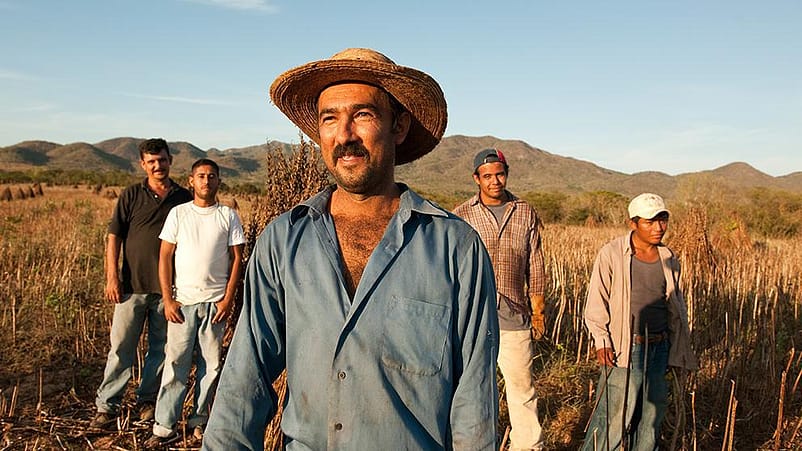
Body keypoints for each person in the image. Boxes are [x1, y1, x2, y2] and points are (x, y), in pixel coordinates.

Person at [202, 48, 500, 450]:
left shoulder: (456, 249)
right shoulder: (283, 240)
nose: (344, 135)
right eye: (330, 119)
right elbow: (244, 380)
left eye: (362, 115)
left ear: (398, 126)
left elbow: (473, 403)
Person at [90, 138, 193, 429]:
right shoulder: (131, 195)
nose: (157, 165)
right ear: (143, 164)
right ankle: (107, 405)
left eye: (162, 160)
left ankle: (147, 401)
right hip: (131, 286)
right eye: (151, 161)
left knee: (160, 349)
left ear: (170, 160)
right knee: (121, 347)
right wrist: (112, 276)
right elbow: (114, 236)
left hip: (169, 290)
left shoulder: (184, 198)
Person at [582, 193, 697, 451]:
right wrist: (602, 341)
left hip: (659, 347)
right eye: (650, 222)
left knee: (651, 417)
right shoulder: (612, 253)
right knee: (613, 418)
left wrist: (678, 351)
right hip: (626, 348)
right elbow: (596, 302)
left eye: (662, 220)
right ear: (633, 223)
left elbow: (675, 307)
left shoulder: (668, 257)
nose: (658, 228)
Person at [144, 158, 245, 447]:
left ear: (218, 181)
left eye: (211, 176)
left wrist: (228, 299)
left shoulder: (228, 216)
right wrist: (168, 298)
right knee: (175, 364)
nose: (206, 181)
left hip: (215, 305)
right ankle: (164, 425)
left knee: (211, 366)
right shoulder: (179, 214)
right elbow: (165, 256)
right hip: (183, 304)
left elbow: (237, 258)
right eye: (201, 176)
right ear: (191, 180)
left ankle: (200, 421)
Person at [453, 148, 547, 451]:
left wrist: (538, 311)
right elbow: (451, 265)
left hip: (513, 315)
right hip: (471, 317)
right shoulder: (461, 214)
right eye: (488, 176)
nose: (495, 181)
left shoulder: (524, 211)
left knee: (522, 389)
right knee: (471, 388)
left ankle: (528, 446)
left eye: (500, 174)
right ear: (476, 179)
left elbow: (536, 264)